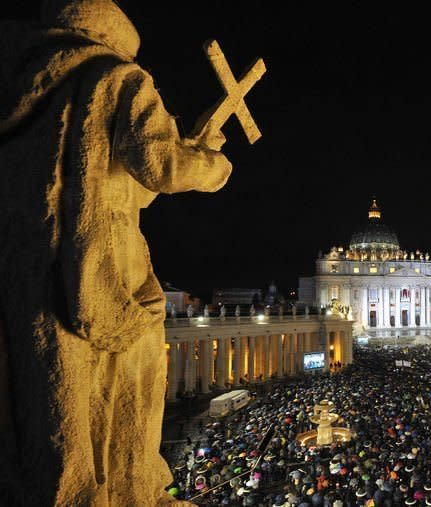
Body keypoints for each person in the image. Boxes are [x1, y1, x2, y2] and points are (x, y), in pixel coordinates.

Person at [0, 0, 232, 505]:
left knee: (46, 401)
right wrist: (212, 164)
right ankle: (124, 489)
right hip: (99, 265)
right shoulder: (116, 77)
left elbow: (124, 179)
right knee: (129, 382)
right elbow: (160, 165)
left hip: (25, 266)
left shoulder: (17, 79)